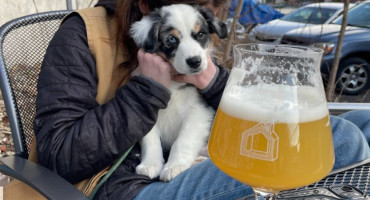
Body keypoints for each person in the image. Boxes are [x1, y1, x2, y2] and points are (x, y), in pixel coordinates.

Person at [34, 0, 370, 199]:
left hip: (202, 155)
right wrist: (144, 91)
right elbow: (60, 154)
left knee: (363, 123)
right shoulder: (82, 35)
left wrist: (212, 80)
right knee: (342, 140)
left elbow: (244, 119)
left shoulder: (195, 46)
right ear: (147, 7)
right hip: (124, 185)